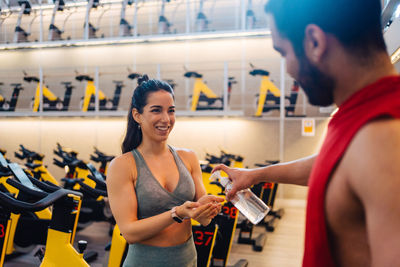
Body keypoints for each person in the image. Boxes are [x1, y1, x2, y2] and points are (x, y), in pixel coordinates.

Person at [214, 0, 400, 266]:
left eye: (284, 52)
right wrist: (255, 175)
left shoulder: (384, 137)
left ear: (314, 41)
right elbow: (331, 166)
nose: (288, 69)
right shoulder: (362, 118)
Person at [107, 75, 223, 267]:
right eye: (156, 110)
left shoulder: (189, 157)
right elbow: (129, 232)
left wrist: (207, 209)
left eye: (171, 111)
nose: (166, 119)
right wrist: (177, 213)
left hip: (187, 260)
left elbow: (204, 221)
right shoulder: (122, 166)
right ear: (137, 115)